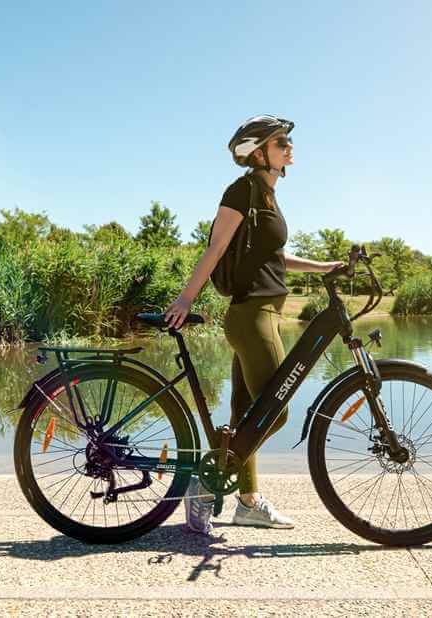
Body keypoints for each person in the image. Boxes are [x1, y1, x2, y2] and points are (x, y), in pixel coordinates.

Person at [162, 115, 343, 534]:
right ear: (259, 152)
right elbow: (216, 246)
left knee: (247, 415)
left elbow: (273, 259)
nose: (290, 146)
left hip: (267, 315)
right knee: (273, 410)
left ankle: (246, 501)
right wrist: (186, 298)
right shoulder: (242, 190)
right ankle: (204, 489)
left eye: (288, 141)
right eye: (282, 142)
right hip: (251, 316)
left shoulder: (267, 195)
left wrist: (322, 267)